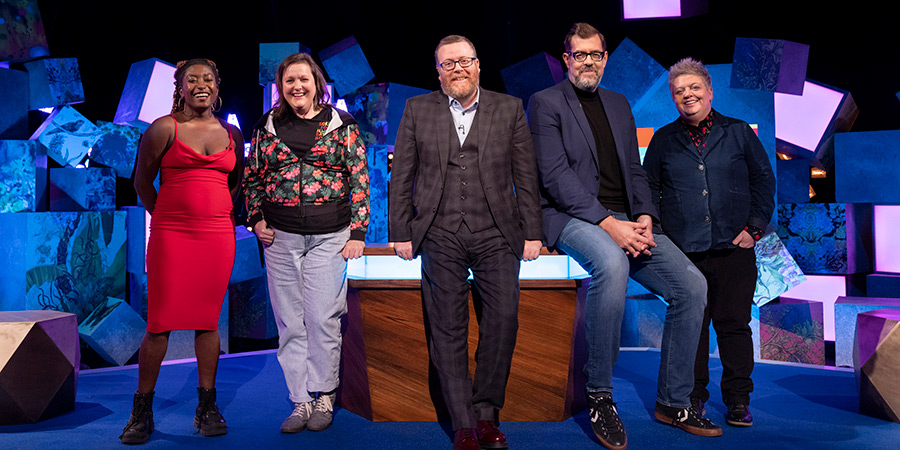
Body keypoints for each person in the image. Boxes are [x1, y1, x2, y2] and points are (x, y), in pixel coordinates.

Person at [527, 23, 721, 449]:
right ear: (567, 59)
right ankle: (599, 395)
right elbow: (555, 176)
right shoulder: (545, 102)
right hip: (571, 216)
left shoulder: (618, 103)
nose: (589, 62)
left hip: (626, 216)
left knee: (692, 286)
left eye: (596, 55)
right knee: (612, 265)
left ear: (605, 58)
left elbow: (634, 170)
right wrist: (607, 223)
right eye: (580, 55)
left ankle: (673, 401)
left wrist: (646, 214)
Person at [389, 35, 542, 450]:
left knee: (502, 322)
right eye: (448, 63)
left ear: (478, 65)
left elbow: (525, 175)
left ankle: (487, 414)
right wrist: (401, 231)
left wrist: (533, 231)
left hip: (497, 230)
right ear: (438, 71)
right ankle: (462, 424)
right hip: (439, 232)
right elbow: (402, 174)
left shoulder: (509, 108)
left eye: (464, 61)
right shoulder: (417, 109)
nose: (457, 68)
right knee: (447, 328)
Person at [643, 57, 775, 428]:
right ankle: (692, 398)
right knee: (693, 328)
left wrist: (755, 228)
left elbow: (763, 181)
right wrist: (658, 232)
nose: (688, 95)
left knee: (733, 325)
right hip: (684, 252)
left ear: (709, 91)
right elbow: (649, 189)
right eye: (679, 91)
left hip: (734, 248)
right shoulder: (662, 140)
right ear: (673, 98)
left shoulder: (738, 132)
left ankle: (737, 400)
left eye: (694, 88)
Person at [243, 52, 369, 435]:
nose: (297, 87)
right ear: (280, 88)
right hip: (280, 239)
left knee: (321, 319)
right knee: (290, 323)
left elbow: (359, 178)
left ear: (317, 83)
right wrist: (256, 219)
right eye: (289, 81)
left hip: (330, 237)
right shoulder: (266, 126)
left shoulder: (341, 125)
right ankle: (300, 399)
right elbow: (252, 179)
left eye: (304, 79)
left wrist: (358, 232)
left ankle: (324, 395)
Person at [123, 58, 244, 444]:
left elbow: (236, 184)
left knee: (208, 321)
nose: (201, 85)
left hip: (217, 237)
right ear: (181, 87)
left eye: (208, 78)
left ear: (217, 84)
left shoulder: (231, 133)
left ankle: (206, 406)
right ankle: (142, 411)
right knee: (159, 323)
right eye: (192, 79)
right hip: (171, 236)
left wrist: (219, 214)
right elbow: (141, 180)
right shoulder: (164, 128)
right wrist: (166, 215)